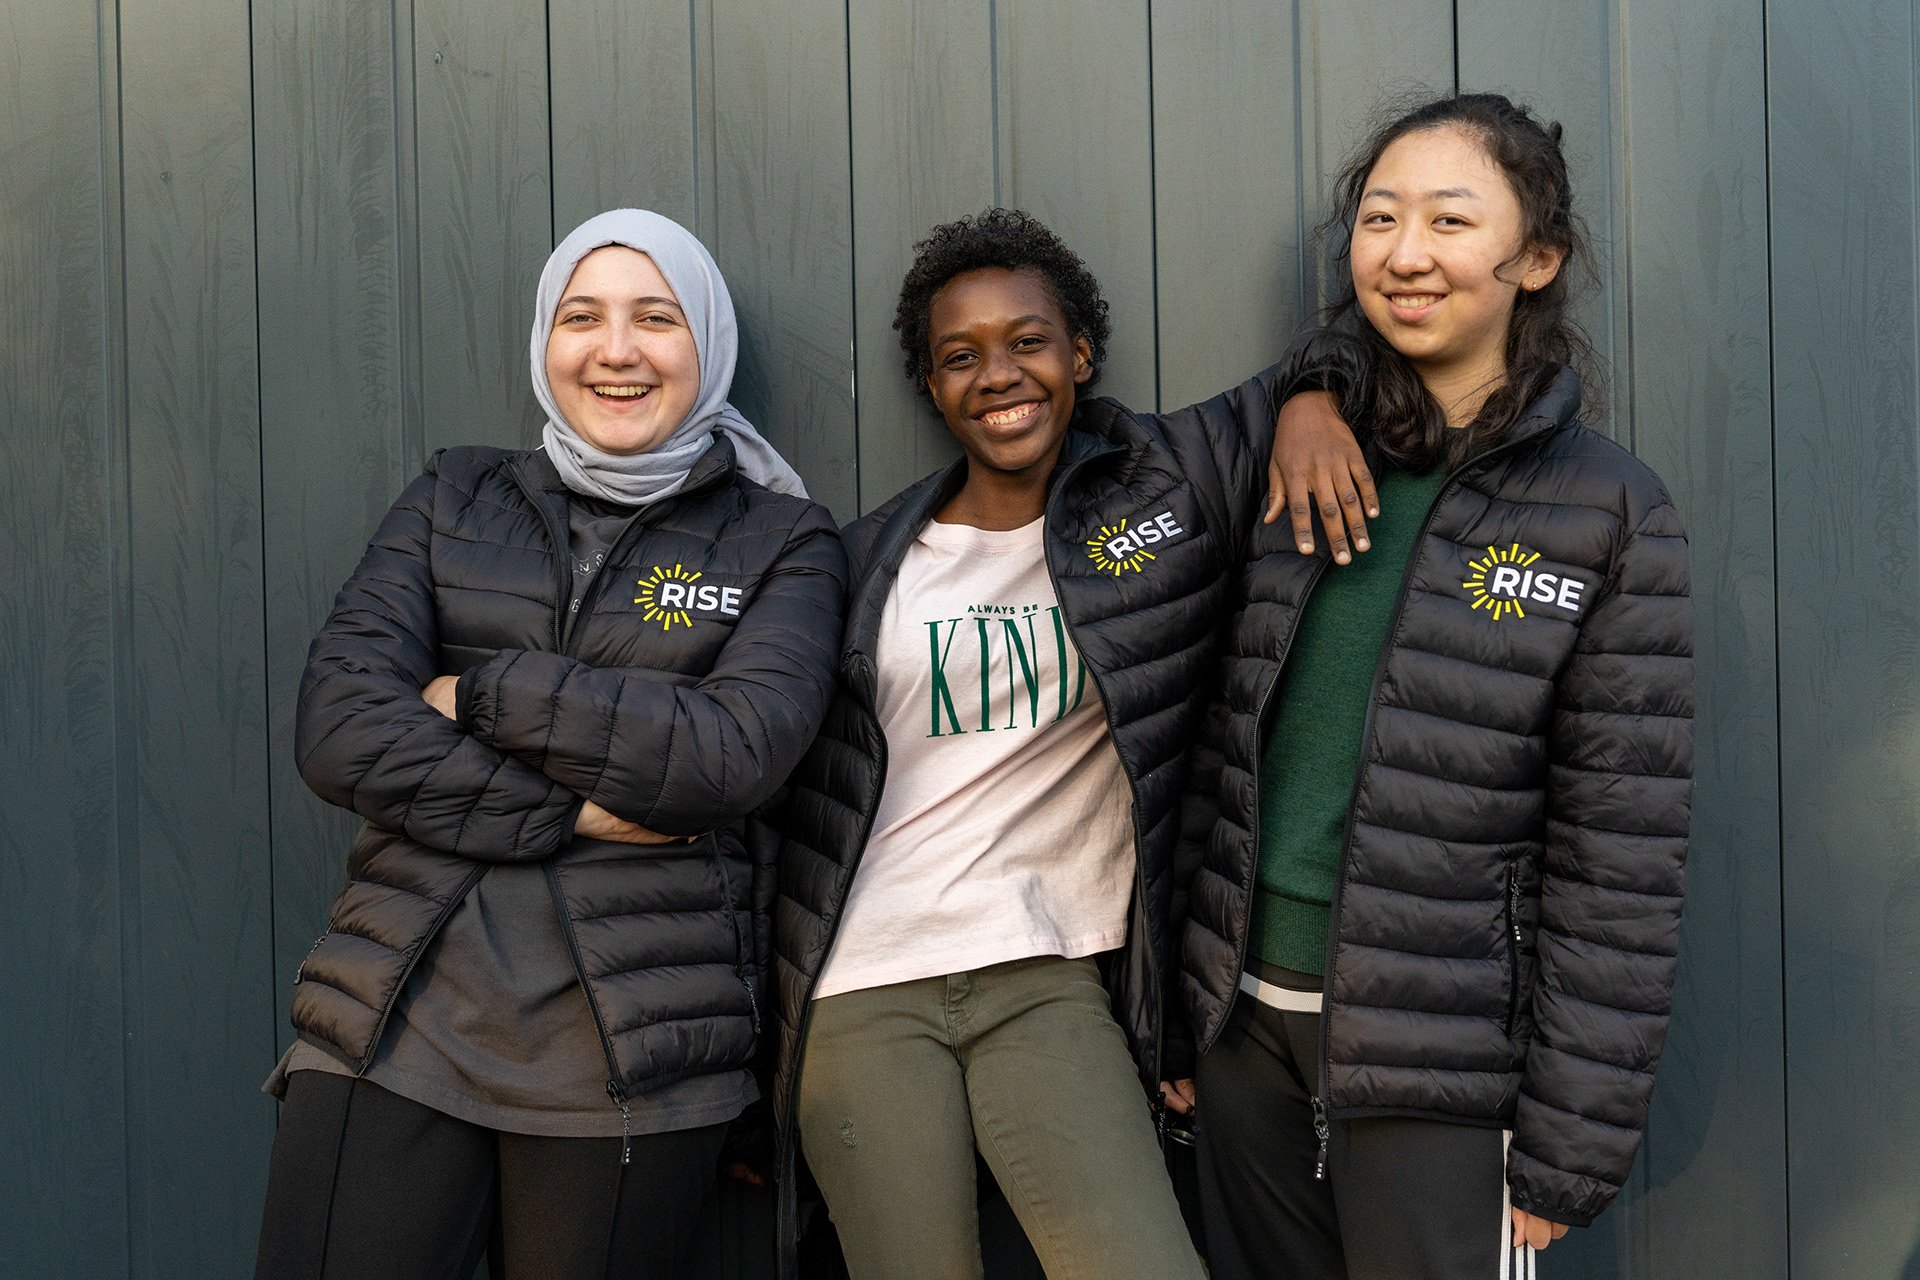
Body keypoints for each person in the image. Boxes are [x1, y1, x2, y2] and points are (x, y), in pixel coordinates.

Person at [764, 208, 1361, 1280]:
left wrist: (1310, 399)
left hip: (1042, 975)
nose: (999, 373)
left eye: (1028, 341)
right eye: (961, 356)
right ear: (932, 385)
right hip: (862, 986)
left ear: (1080, 354)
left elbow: (1364, 338)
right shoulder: (862, 560)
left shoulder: (1169, 488)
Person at [253, 209, 847, 1279]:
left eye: (656, 318)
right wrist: (582, 809)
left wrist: (480, 689)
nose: (616, 350)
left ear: (707, 342)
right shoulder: (454, 494)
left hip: (636, 1053)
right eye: (583, 317)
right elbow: (340, 727)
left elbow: (728, 757)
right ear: (545, 339)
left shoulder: (782, 539)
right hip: (393, 1023)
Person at [1178, 93, 1694, 1279]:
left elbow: (1622, 857)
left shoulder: (1609, 509)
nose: (1405, 253)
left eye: (1450, 221)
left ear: (1537, 258)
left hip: (1448, 1061)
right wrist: (1307, 389)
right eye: (1380, 218)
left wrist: (1569, 1137)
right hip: (1243, 1028)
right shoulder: (1285, 457)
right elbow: (1200, 734)